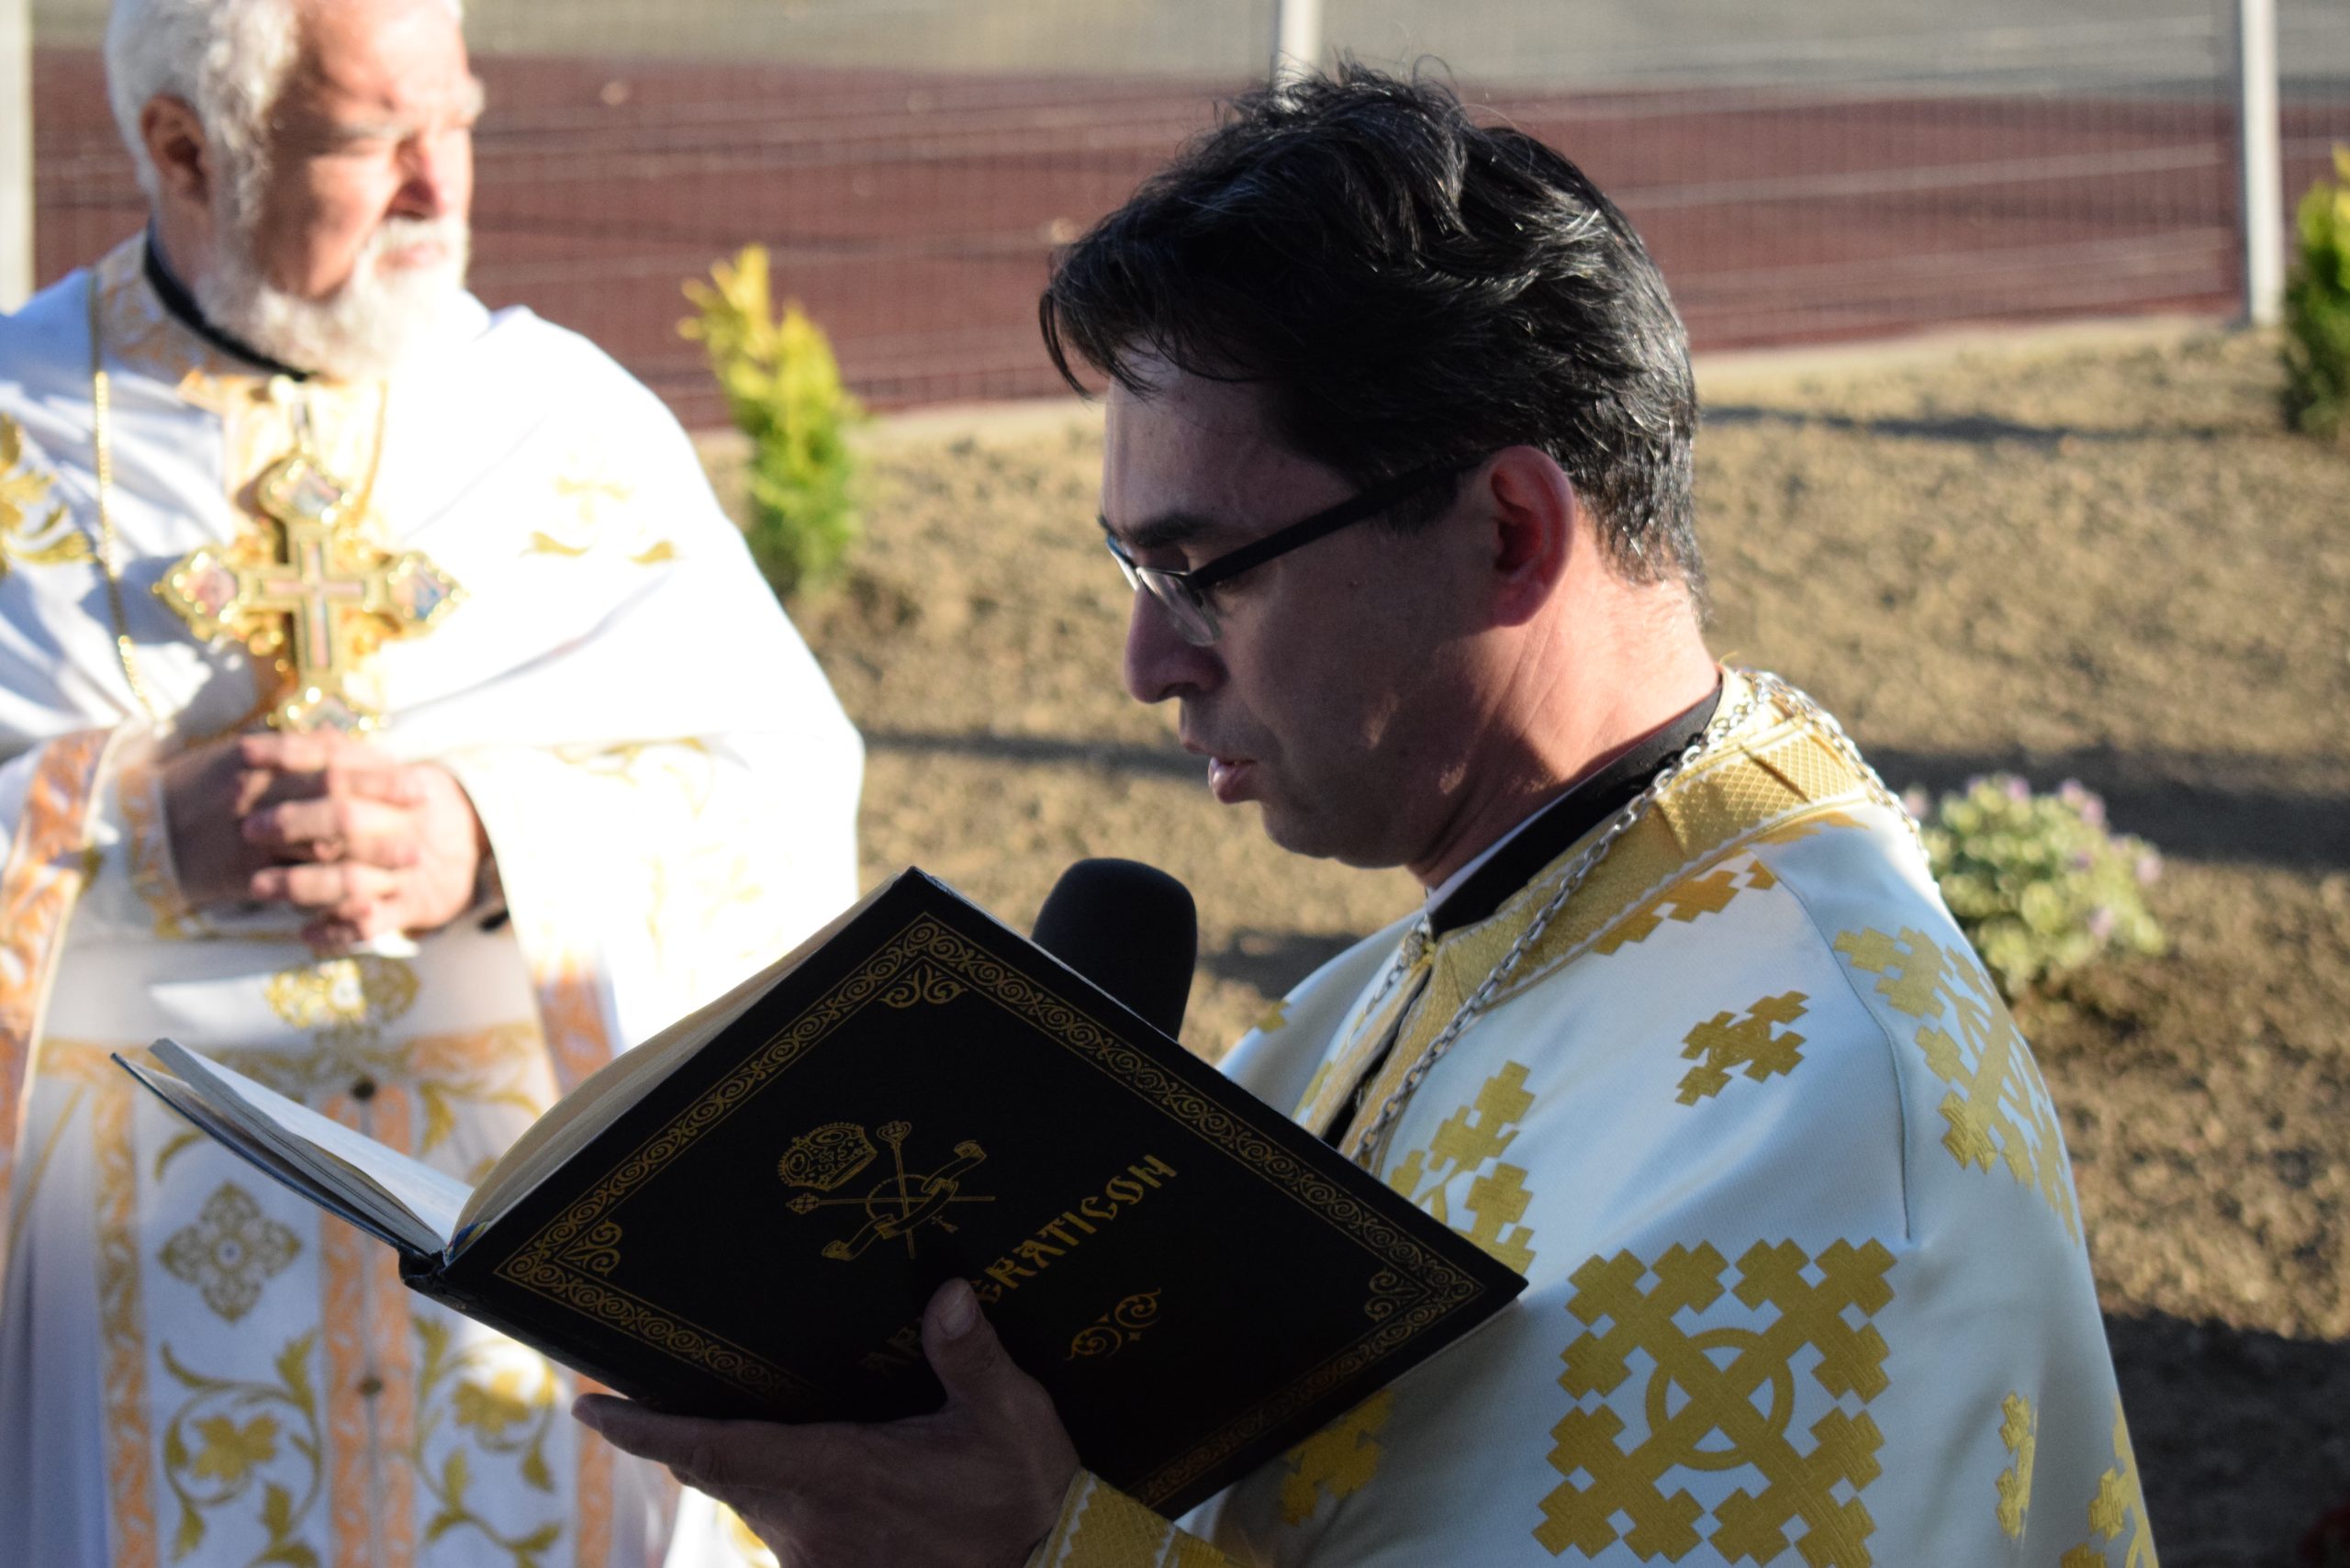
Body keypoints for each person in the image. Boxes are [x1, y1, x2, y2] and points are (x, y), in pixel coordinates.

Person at [576, 66, 2155, 1568]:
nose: (1147, 665)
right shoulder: (1502, 929)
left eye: (1203, 572)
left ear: (1509, 532)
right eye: (1132, 568)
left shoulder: (1817, 1132)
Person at [0, 0, 861, 1562]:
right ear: (184, 150)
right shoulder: (18, 428)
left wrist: (497, 837)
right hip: (118, 1290)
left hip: (521, 1282)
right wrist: (112, 833)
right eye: (370, 139)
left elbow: (785, 792)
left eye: (455, 121)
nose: (437, 185)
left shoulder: (570, 430)